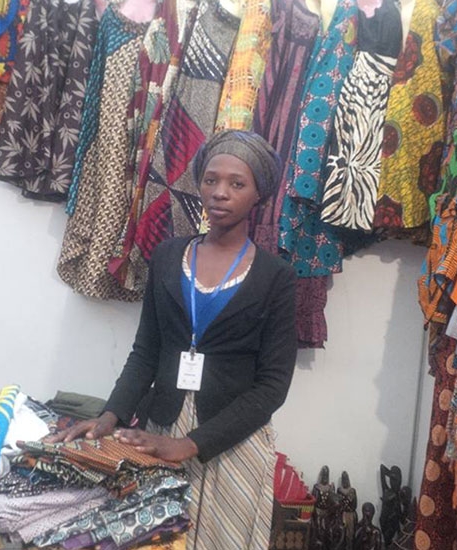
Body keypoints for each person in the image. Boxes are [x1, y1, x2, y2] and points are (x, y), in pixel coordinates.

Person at [49, 129, 298, 549]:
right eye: (211, 180)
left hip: (230, 441)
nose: (220, 192)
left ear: (258, 194)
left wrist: (191, 444)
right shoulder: (167, 256)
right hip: (158, 427)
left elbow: (273, 386)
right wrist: (112, 414)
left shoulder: (277, 277)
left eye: (237, 184)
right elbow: (146, 350)